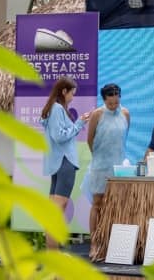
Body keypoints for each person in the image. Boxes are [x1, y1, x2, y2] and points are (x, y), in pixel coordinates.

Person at [41, 76, 90, 249]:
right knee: (57, 212)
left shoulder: (53, 109)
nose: (72, 97)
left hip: (58, 163)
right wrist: (79, 123)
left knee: (56, 211)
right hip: (65, 162)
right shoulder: (57, 109)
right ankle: (53, 255)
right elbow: (59, 136)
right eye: (72, 94)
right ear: (64, 91)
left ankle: (52, 253)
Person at [84, 83, 130, 261]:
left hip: (118, 167)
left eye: (116, 103)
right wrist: (99, 159)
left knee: (115, 205)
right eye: (110, 104)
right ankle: (95, 244)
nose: (114, 106)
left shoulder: (125, 113)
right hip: (100, 166)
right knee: (98, 203)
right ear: (104, 100)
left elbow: (123, 138)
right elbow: (90, 139)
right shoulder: (97, 114)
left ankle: (112, 244)